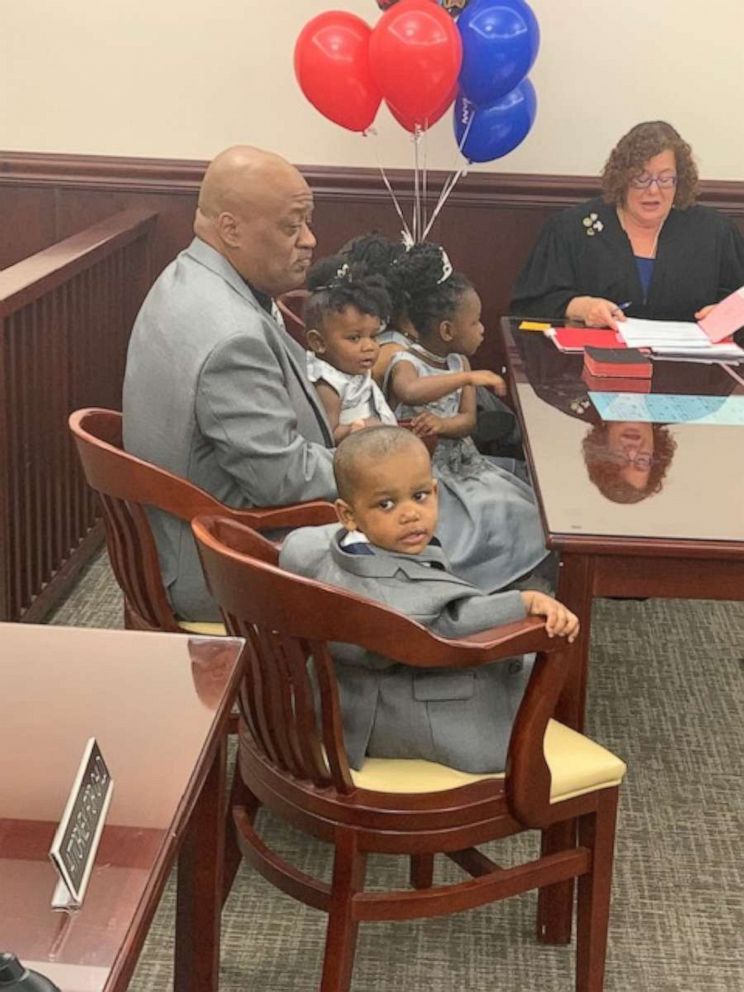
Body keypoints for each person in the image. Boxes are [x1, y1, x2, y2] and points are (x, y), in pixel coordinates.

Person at [279, 426, 578, 774]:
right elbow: (447, 621)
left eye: (420, 496)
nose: (409, 514)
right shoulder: (380, 592)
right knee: (526, 663)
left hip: (348, 691)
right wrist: (524, 601)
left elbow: (297, 546)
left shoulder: (321, 544)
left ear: (436, 492)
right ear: (348, 515)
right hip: (383, 713)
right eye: (386, 504)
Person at [123, 145, 335, 621]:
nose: (309, 240)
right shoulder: (231, 336)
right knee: (442, 545)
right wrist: (370, 464)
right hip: (226, 559)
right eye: (291, 225)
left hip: (188, 532)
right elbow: (280, 480)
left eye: (306, 222)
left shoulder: (186, 275)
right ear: (231, 229)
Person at [382, 242, 551, 589]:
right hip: (426, 475)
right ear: (447, 330)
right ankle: (473, 579)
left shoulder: (461, 363)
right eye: (474, 322)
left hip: (465, 463)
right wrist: (467, 379)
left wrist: (444, 424)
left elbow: (468, 421)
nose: (482, 330)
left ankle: (516, 574)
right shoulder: (405, 362)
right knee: (480, 520)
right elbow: (411, 393)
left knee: (522, 508)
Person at [511, 120, 744, 329]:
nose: (653, 190)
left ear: (679, 179)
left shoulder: (715, 233)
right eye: (641, 178)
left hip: (693, 372)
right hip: (590, 368)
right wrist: (580, 307)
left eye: (665, 179)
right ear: (622, 178)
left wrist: (728, 317)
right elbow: (527, 309)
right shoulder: (572, 229)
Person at [304, 255, 397, 443]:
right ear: (318, 342)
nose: (369, 346)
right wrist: (359, 428)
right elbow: (326, 436)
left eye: (373, 336)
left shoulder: (352, 369)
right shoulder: (329, 384)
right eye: (355, 338)